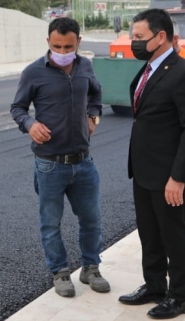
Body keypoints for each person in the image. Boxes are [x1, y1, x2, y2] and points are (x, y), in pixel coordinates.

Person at [10, 17, 111, 298]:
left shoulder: (86, 67)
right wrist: (31, 125)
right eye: (57, 46)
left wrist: (94, 115)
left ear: (78, 42)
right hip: (49, 163)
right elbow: (17, 108)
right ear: (48, 43)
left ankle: (91, 268)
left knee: (92, 219)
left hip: (84, 162)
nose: (63, 51)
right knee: (51, 223)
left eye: (68, 46)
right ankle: (60, 272)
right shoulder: (33, 72)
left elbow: (96, 94)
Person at [119, 8, 185, 319]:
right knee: (149, 233)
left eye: (139, 37)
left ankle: (180, 297)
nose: (134, 42)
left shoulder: (184, 72)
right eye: (133, 37)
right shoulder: (149, 68)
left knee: (173, 236)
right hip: (144, 171)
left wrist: (178, 178)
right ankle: (155, 285)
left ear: (160, 37)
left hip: (170, 175)